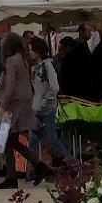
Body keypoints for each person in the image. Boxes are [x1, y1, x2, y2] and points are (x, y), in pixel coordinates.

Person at [0, 33, 41, 188]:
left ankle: (12, 176)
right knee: (12, 140)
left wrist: (3, 105)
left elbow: (10, 85)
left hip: (14, 105)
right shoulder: (23, 59)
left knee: (8, 140)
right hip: (25, 102)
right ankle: (35, 166)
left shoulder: (10, 61)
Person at [30, 38, 71, 169]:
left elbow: (54, 87)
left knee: (53, 141)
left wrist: (43, 102)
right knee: (33, 141)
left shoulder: (48, 66)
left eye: (31, 50)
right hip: (36, 110)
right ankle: (36, 169)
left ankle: (73, 164)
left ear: (38, 51)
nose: (29, 53)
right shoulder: (35, 68)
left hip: (47, 109)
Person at [58, 33, 98, 101]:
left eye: (61, 49)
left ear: (67, 47)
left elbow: (65, 80)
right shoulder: (81, 55)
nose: (60, 52)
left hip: (73, 95)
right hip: (86, 93)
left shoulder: (68, 61)